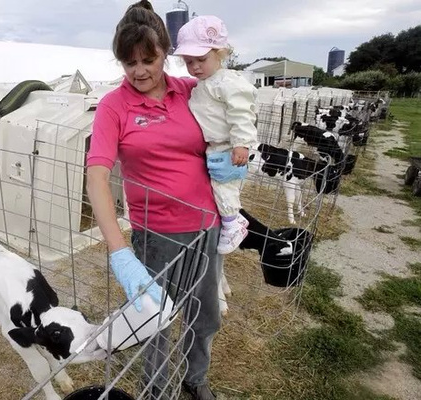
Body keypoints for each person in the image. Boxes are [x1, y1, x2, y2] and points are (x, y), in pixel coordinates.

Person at [86, 1, 221, 399]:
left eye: (149, 59)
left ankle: (196, 381)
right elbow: (96, 176)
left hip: (206, 227)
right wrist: (119, 252)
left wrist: (237, 158)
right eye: (129, 62)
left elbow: (231, 119)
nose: (139, 70)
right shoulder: (115, 106)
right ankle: (156, 389)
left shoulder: (191, 91)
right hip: (156, 235)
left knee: (205, 315)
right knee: (156, 323)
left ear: (166, 52)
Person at [174, 15, 258, 256]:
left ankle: (234, 223)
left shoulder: (228, 82)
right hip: (213, 146)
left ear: (220, 54)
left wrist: (241, 144)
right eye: (189, 62)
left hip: (228, 147)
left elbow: (242, 113)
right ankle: (230, 219)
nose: (195, 67)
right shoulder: (203, 84)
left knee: (224, 186)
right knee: (217, 185)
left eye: (201, 59)